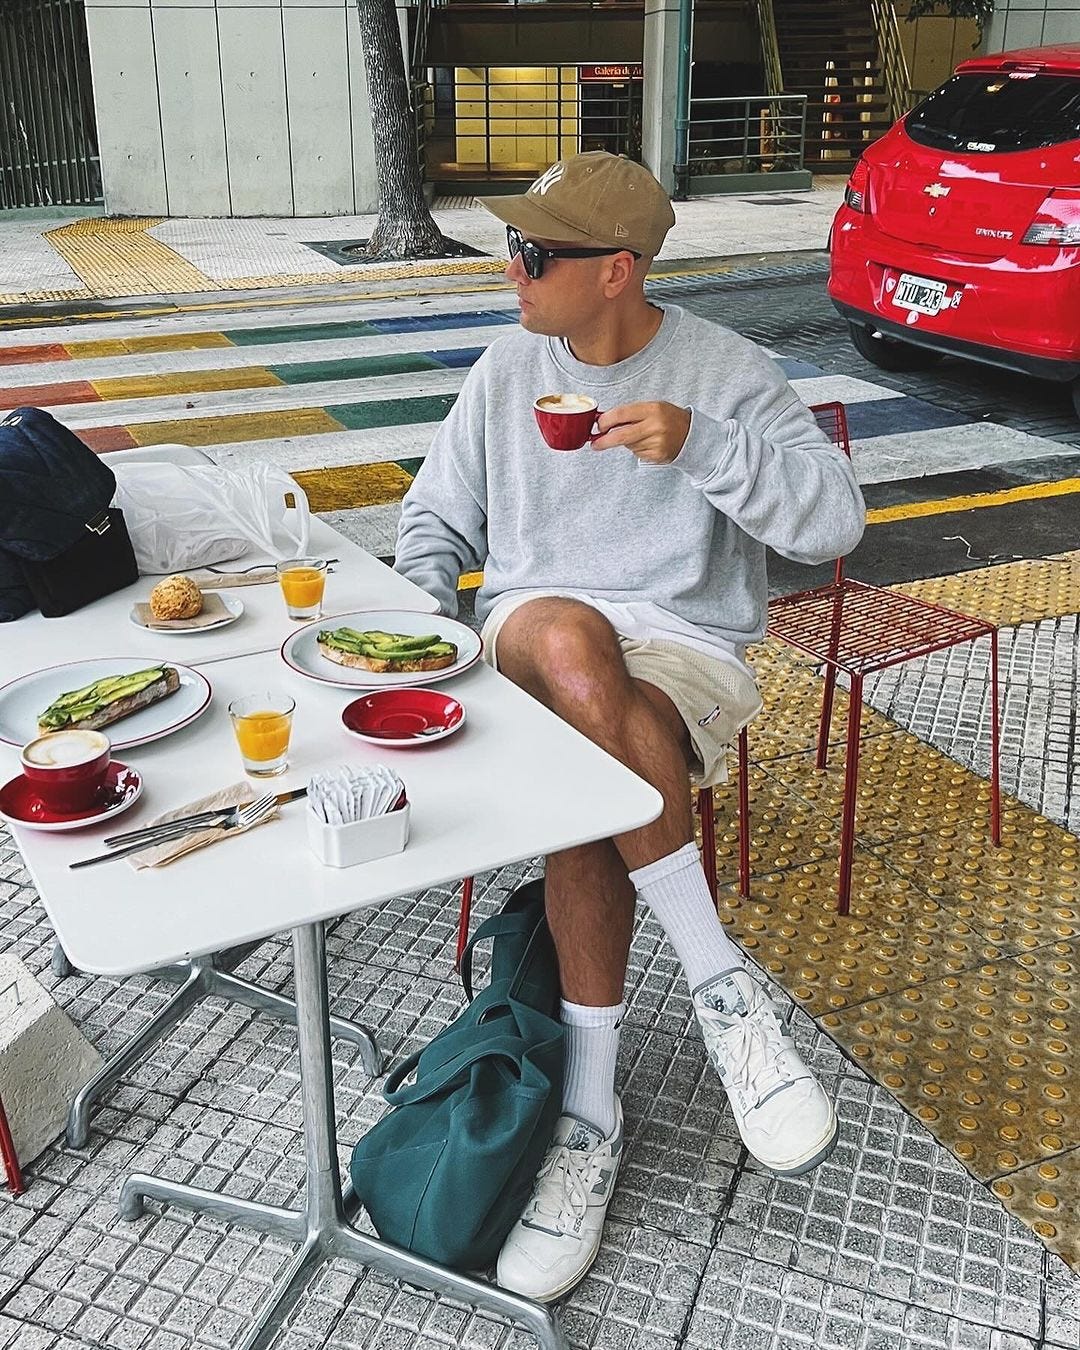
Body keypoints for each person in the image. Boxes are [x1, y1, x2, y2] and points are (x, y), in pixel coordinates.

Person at [394, 151, 866, 1303]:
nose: (511, 269)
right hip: (532, 628)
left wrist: (701, 443)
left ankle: (590, 1115)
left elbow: (835, 523)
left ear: (616, 271)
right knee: (563, 644)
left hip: (680, 651)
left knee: (586, 773)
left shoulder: (727, 372)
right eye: (512, 245)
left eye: (534, 253)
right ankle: (719, 985)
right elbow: (434, 519)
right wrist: (417, 624)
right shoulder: (510, 369)